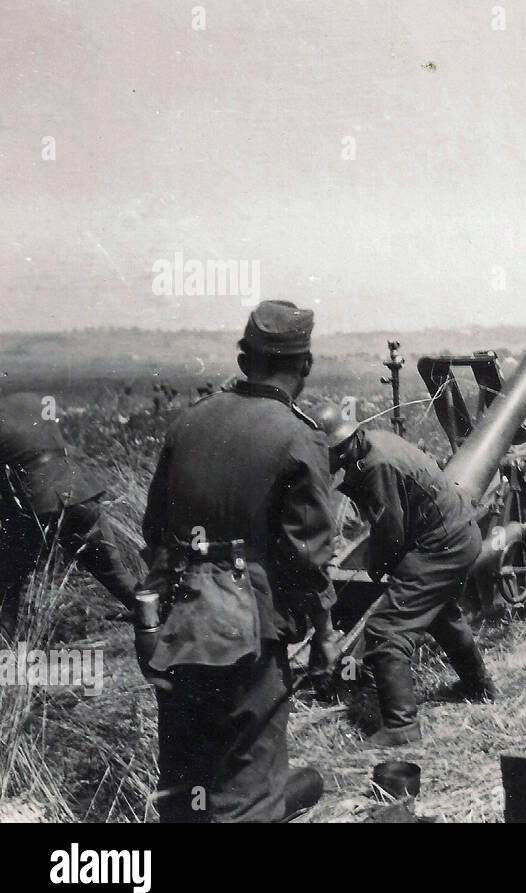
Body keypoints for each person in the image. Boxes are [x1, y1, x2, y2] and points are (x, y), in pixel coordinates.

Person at [139, 300, 339, 822]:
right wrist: (325, 635)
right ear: (306, 365)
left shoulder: (189, 424)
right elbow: (309, 557)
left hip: (180, 628)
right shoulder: (298, 435)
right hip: (246, 635)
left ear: (243, 358)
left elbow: (154, 531)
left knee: (184, 785)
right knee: (248, 789)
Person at [315, 404, 494, 748]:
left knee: (386, 628)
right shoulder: (372, 443)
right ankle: (478, 686)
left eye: (329, 455)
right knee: (441, 614)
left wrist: (379, 565)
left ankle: (401, 725)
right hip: (455, 536)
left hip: (442, 544)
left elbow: (390, 531)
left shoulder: (376, 464)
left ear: (341, 446)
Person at [0, 392, 140, 640]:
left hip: (42, 504)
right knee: (116, 575)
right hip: (80, 491)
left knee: (6, 586)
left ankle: (5, 651)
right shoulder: (33, 400)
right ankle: (166, 626)